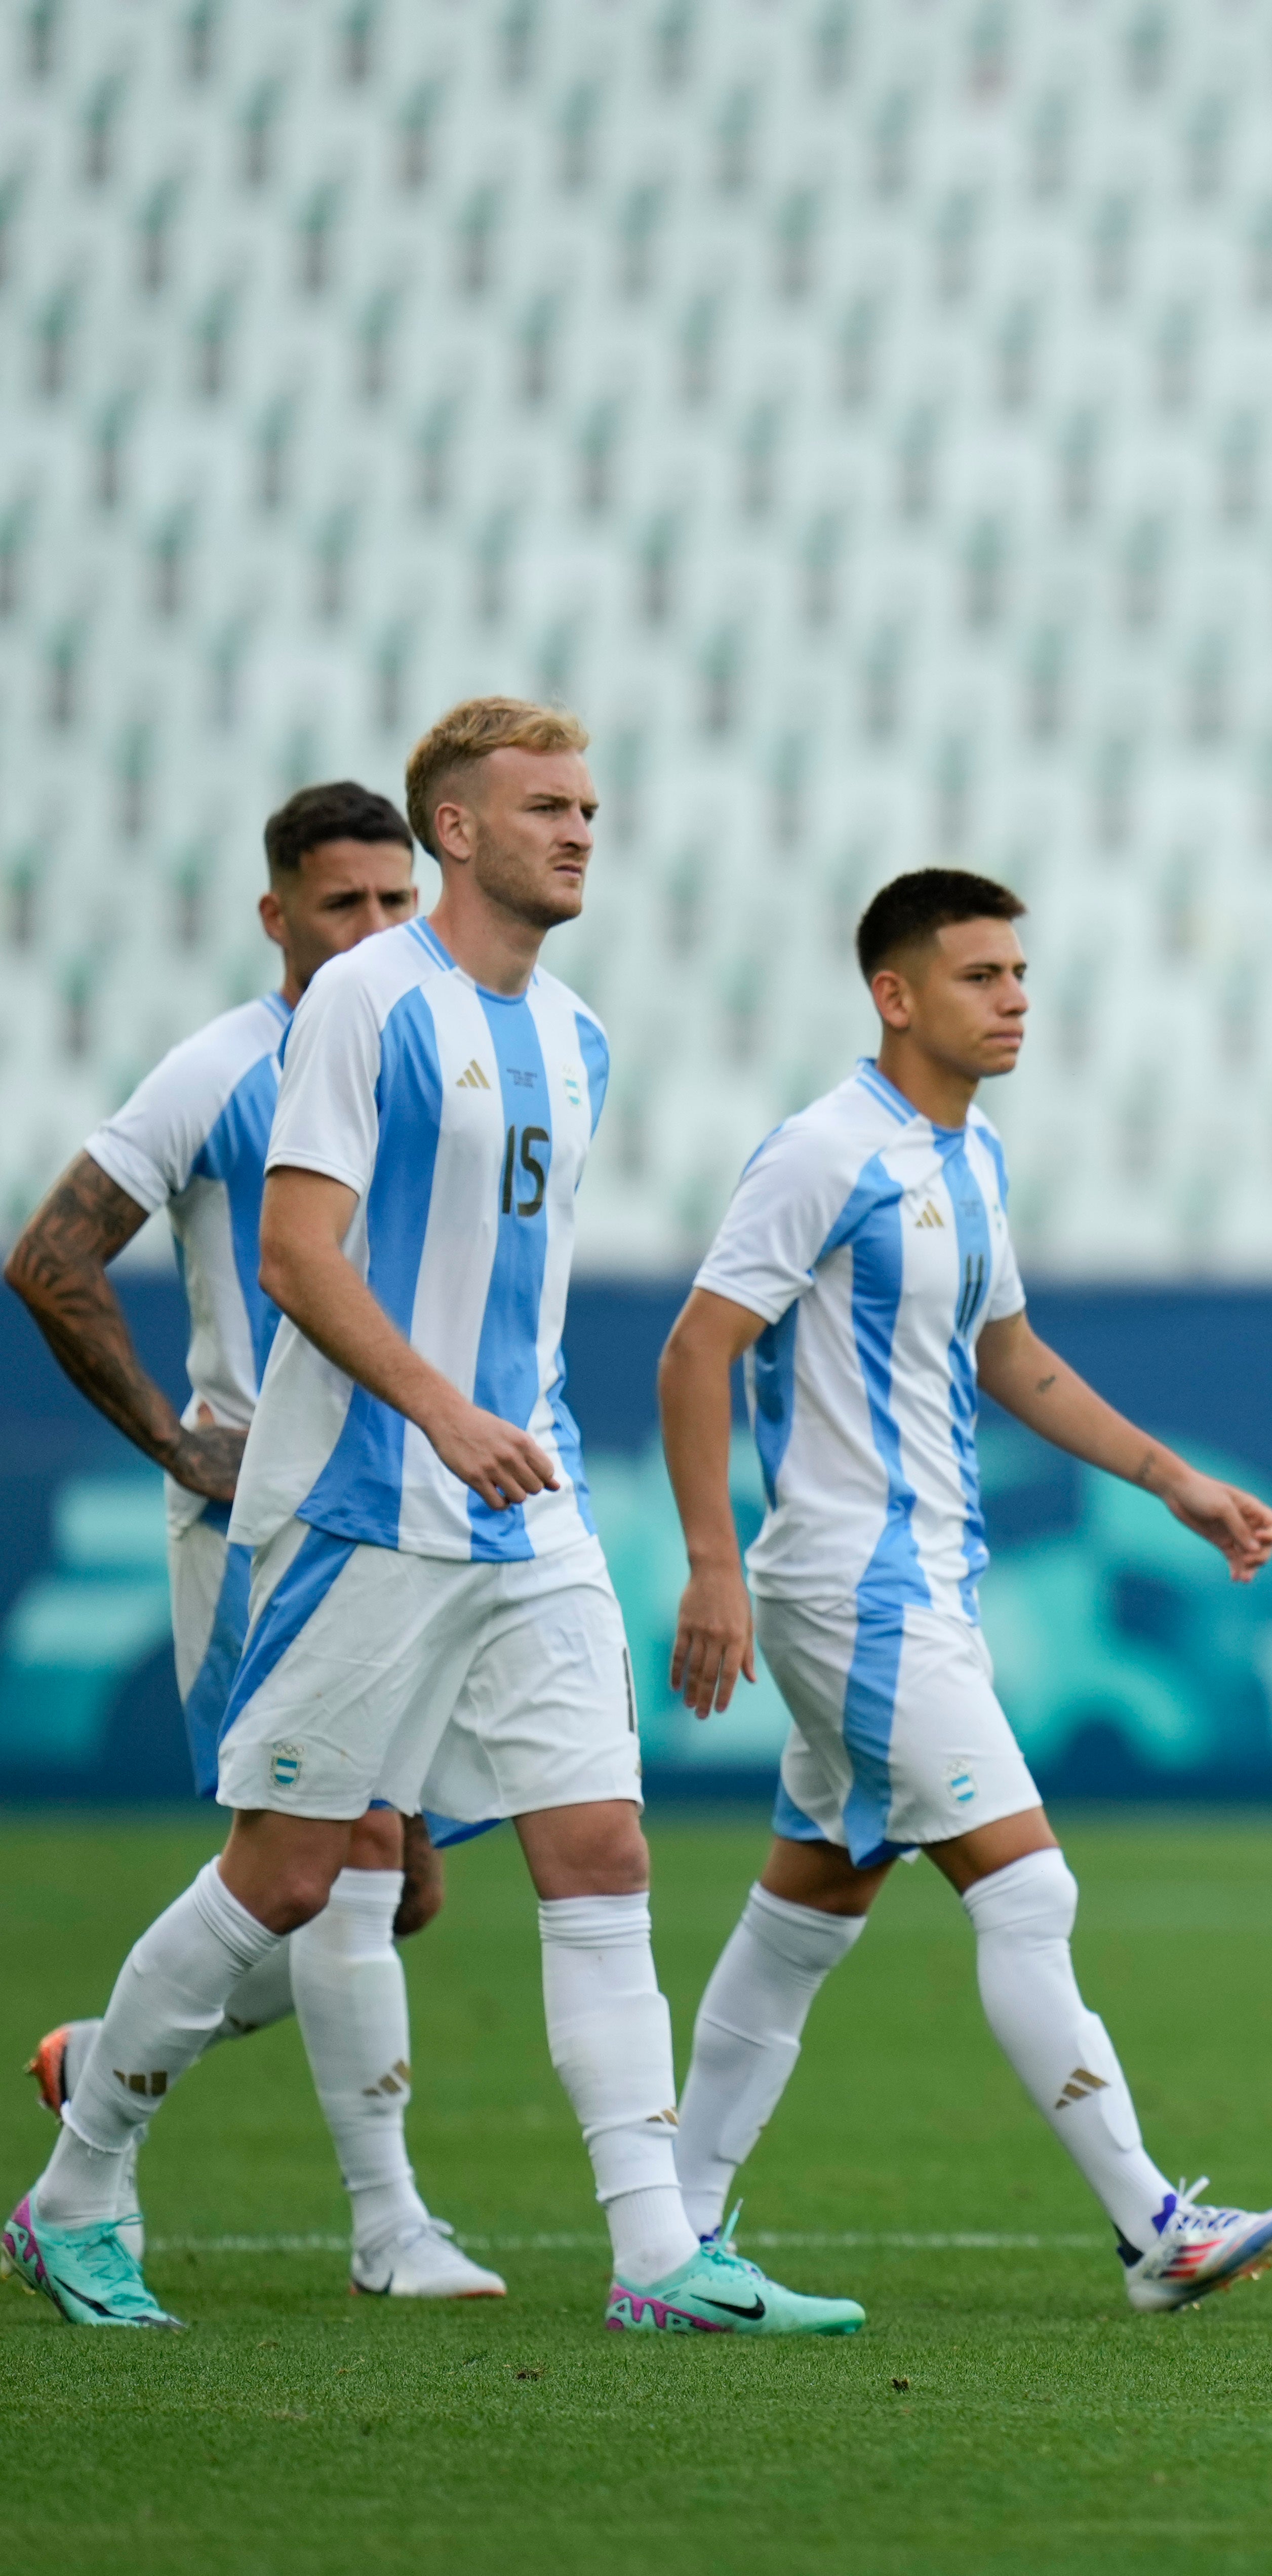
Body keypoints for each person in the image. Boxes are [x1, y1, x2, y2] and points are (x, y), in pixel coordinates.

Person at [7, 699, 858, 2335]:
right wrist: (444, 1410)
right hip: (358, 1511)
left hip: (524, 1514)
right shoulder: (362, 1009)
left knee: (601, 1845)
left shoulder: (580, 1035)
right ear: (455, 826)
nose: (581, 829)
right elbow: (296, 1256)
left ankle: (658, 2252)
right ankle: (75, 2187)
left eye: (593, 805)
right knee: (288, 1873)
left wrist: (505, 1426)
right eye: (547, 804)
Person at [657, 869, 1272, 2315]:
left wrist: (1173, 1481)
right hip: (852, 1586)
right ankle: (1153, 2227)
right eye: (979, 976)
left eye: (1019, 973)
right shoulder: (823, 1155)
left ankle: (671, 2242)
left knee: (806, 1914)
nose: (1013, 999)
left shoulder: (972, 1159)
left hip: (918, 1585)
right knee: (1030, 1886)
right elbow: (696, 1350)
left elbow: (1010, 1358)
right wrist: (713, 1562)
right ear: (894, 996)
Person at [11, 782, 496, 2300]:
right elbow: (52, 1254)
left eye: (394, 902)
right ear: (276, 916)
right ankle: (379, 2225)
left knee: (390, 1888)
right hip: (274, 1523)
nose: (371, 930)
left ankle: (108, 2057)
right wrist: (174, 1436)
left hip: (414, 1511)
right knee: (337, 1864)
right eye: (339, 905)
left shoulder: (447, 1048)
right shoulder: (226, 1070)